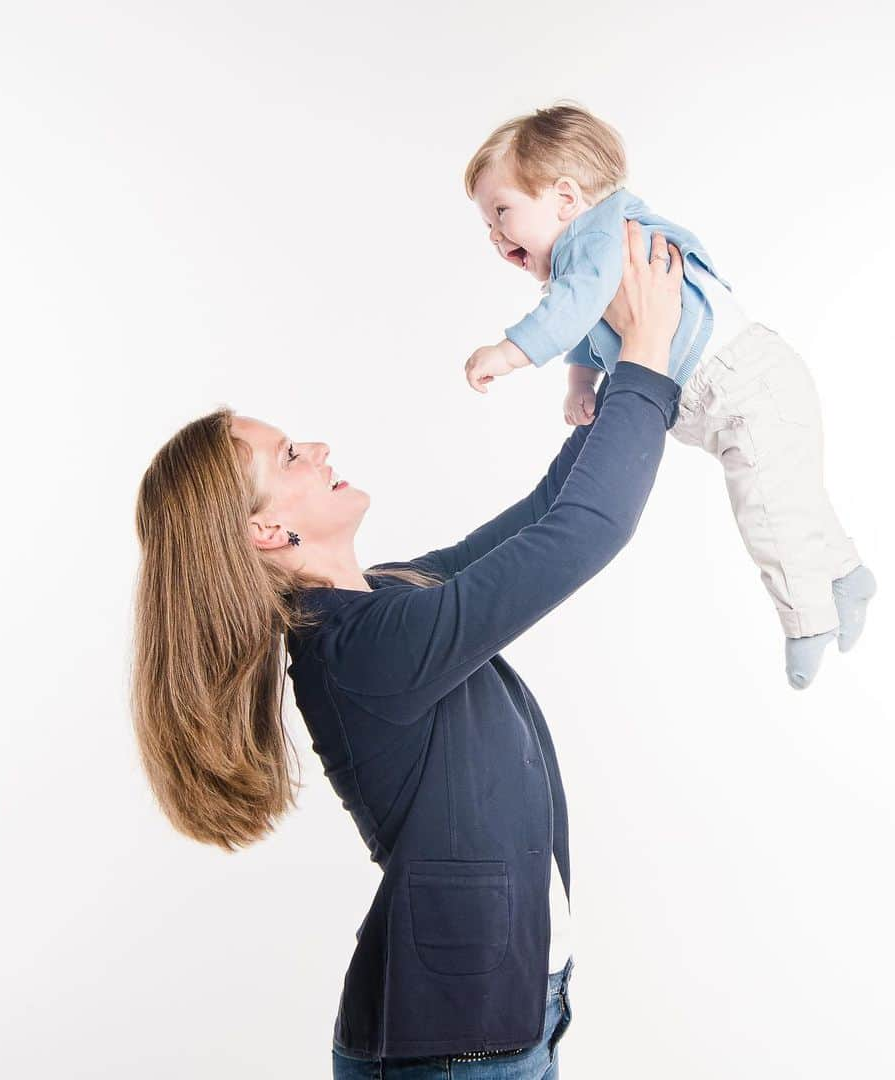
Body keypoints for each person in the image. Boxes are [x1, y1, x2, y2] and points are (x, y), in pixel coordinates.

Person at [130, 220, 683, 1078]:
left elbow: (545, 513)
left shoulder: (386, 598)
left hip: (499, 1021)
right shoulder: (359, 648)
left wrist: (611, 377)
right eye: (289, 455)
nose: (316, 449)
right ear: (267, 527)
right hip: (455, 1053)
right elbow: (583, 535)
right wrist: (647, 364)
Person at [463, 101, 877, 690]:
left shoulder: (602, 237)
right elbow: (587, 319)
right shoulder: (590, 253)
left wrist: (508, 352)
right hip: (738, 388)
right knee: (786, 497)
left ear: (564, 198)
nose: (495, 235)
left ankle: (808, 621)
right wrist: (581, 381)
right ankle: (844, 573)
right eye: (487, 223)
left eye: (502, 212)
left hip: (743, 383)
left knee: (767, 510)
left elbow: (570, 309)